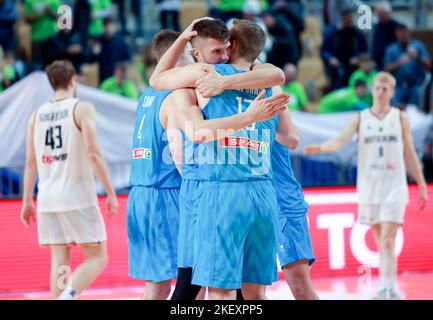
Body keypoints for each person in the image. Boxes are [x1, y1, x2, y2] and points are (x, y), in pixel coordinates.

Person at [129, 24, 287, 300]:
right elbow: (280, 79)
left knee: (207, 288)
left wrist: (184, 41)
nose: (222, 53)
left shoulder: (205, 75)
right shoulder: (267, 82)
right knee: (252, 294)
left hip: (215, 189)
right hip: (262, 192)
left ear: (231, 47)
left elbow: (158, 81)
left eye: (225, 45)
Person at [304, 72, 428, 300]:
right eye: (378, 88)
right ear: (373, 90)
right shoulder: (361, 118)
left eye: (385, 89)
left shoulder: (400, 118)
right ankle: (385, 284)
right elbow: (340, 141)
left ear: (392, 91)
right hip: (370, 187)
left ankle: (389, 286)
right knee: (381, 240)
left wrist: (420, 183)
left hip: (394, 186)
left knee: (389, 239)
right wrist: (320, 148)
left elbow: (409, 153)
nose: (381, 93)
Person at [20, 60, 118, 300]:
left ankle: (61, 296)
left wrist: (26, 201)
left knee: (60, 260)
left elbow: (30, 162)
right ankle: (69, 295)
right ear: (74, 80)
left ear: (52, 84)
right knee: (98, 257)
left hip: (47, 198)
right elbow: (94, 153)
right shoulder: (81, 108)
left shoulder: (36, 115)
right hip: (76, 195)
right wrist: (110, 192)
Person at [384, 24, 431, 110]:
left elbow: (429, 65)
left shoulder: (418, 46)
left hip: (416, 85)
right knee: (395, 109)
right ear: (396, 34)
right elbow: (386, 69)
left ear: (408, 33)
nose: (403, 35)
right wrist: (399, 62)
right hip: (397, 86)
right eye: (400, 33)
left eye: (405, 33)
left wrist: (417, 57)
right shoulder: (391, 49)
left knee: (415, 110)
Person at [320, 7, 368, 90]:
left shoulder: (356, 33)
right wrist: (330, 58)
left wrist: (357, 58)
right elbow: (323, 50)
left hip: (352, 68)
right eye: (348, 18)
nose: (350, 21)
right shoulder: (331, 32)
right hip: (336, 68)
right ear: (342, 18)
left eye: (351, 18)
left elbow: (364, 50)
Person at [371, 1, 399, 71]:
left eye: (381, 14)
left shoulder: (396, 27)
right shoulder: (377, 26)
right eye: (378, 14)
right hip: (377, 63)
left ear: (388, 14)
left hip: (391, 62)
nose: (379, 16)